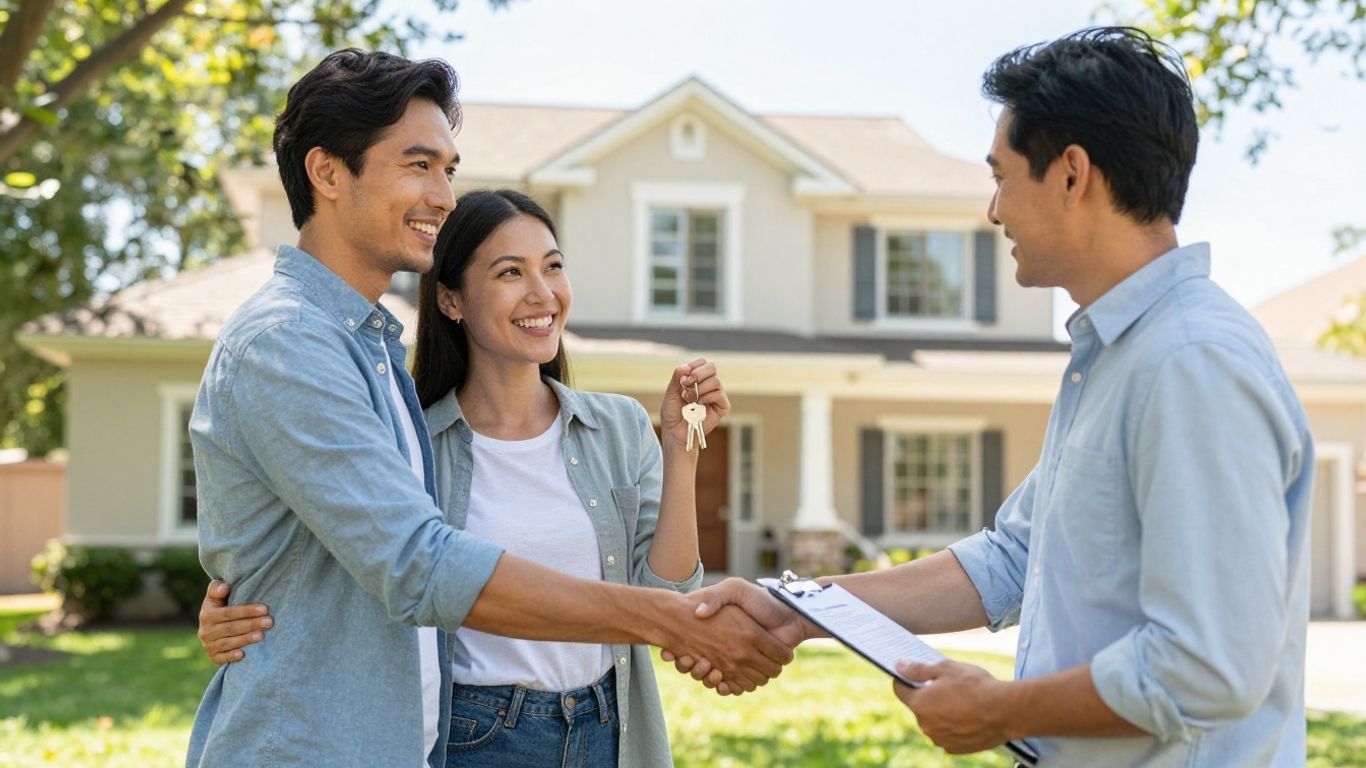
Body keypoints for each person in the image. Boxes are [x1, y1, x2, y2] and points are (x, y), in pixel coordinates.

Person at [674, 26, 1314, 767]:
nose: (993, 211)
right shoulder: (1117, 359)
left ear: (1072, 175)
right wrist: (801, 607)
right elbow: (1014, 559)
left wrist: (998, 711)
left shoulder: (1191, 363)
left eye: (1001, 176)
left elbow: (1212, 667)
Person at [186, 49, 793, 768]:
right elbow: (417, 563)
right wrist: (673, 622)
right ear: (327, 173)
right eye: (418, 165)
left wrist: (261, 593)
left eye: (449, 168)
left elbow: (339, 552)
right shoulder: (289, 344)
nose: (443, 195)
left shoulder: (369, 350)